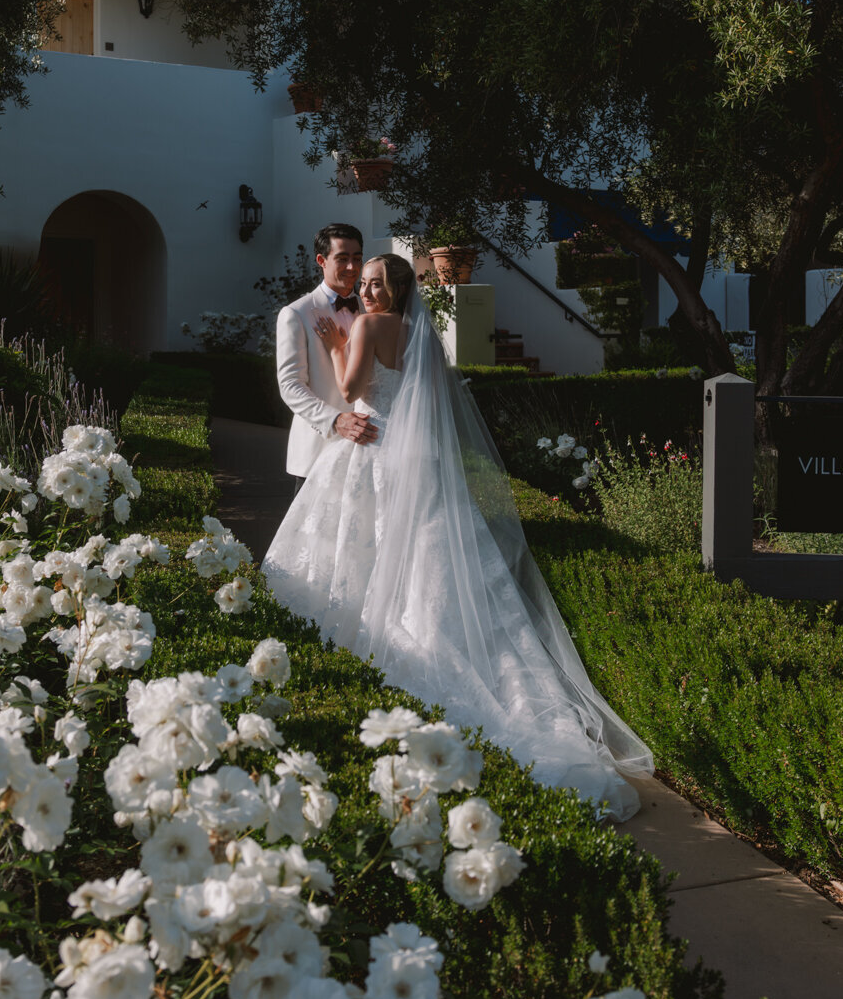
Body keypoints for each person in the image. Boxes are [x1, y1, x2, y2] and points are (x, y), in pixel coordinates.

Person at [262, 253, 653, 820]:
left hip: (370, 448)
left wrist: (335, 344)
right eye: (363, 284)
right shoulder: (422, 333)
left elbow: (350, 391)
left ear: (393, 290)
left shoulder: (367, 326)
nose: (366, 292)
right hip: (414, 453)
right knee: (422, 553)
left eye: (374, 285)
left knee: (358, 548)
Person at [275, 224, 377, 485]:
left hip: (370, 449)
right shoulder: (296, 313)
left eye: (357, 258)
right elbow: (290, 385)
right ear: (321, 260)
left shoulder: (373, 312)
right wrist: (336, 420)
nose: (352, 267)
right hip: (317, 452)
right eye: (343, 258)